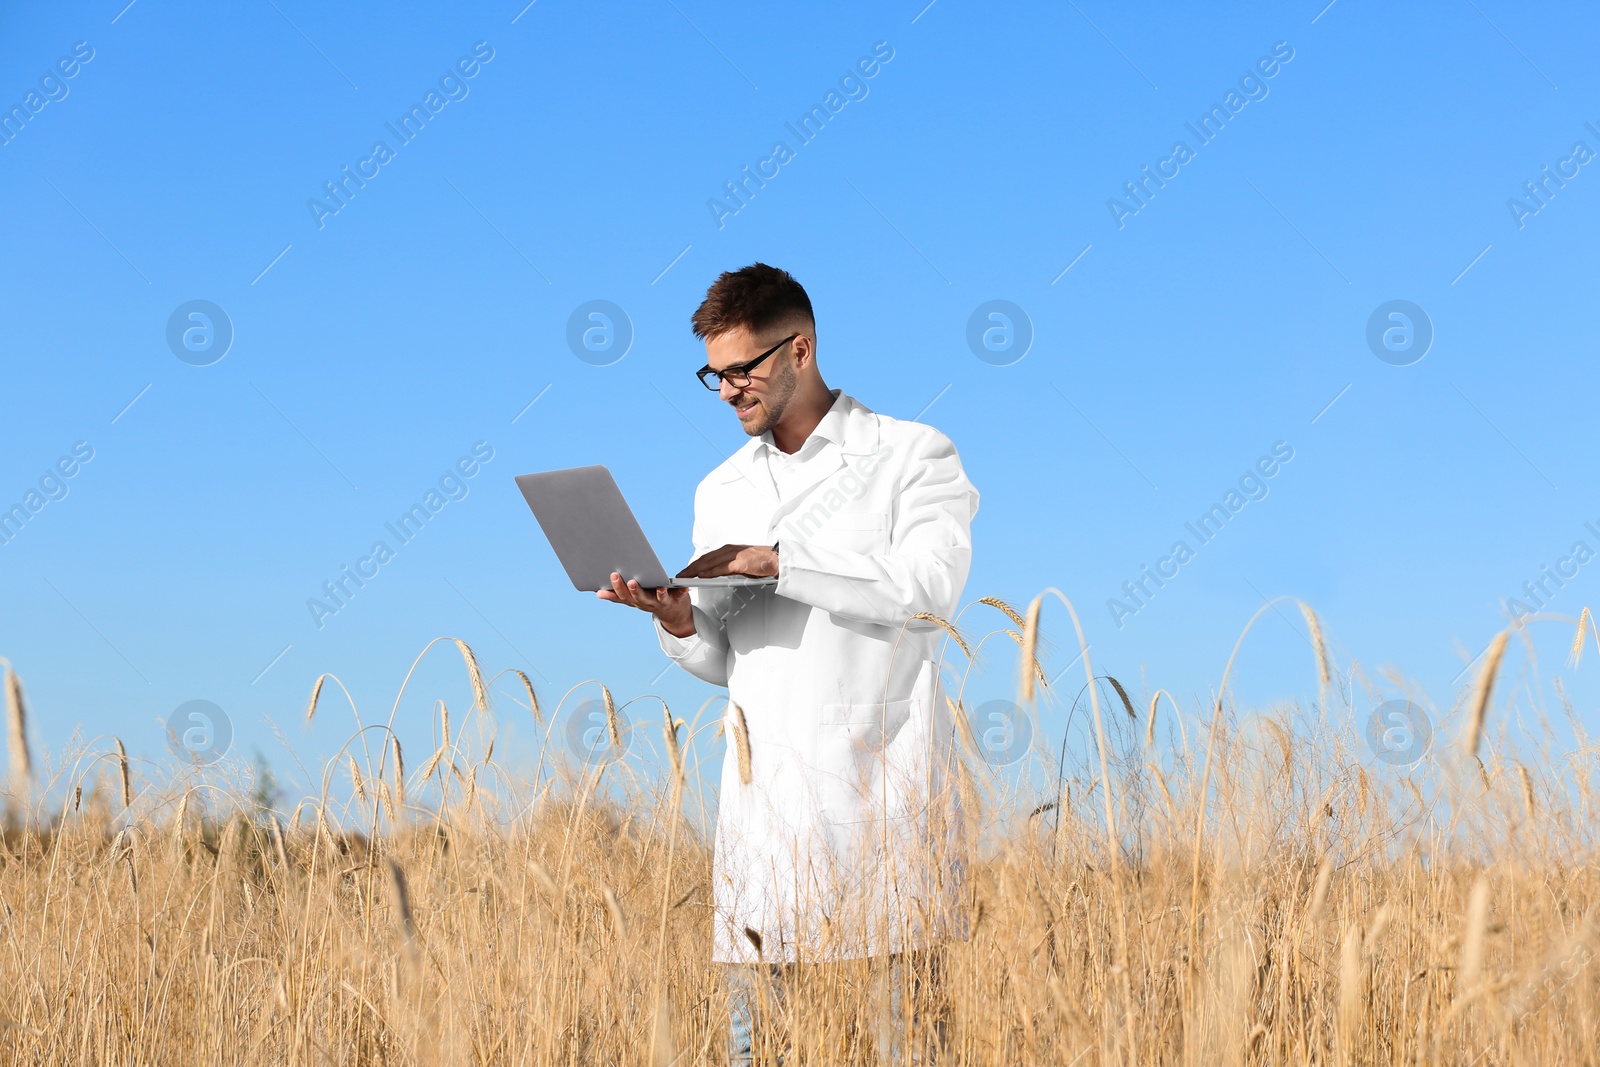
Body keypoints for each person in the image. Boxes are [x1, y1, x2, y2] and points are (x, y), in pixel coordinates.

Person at [599, 262, 978, 1063]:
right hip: (763, 832)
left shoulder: (913, 454)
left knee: (906, 1048)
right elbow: (729, 662)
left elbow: (927, 592)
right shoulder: (721, 487)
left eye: (744, 368)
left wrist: (781, 561)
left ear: (800, 349)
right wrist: (674, 622)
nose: (729, 389)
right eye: (715, 373)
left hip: (883, 815)